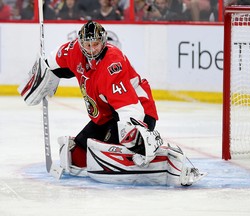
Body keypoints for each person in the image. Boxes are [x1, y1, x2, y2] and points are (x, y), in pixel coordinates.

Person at [18, 21, 206, 186]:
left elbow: (129, 108)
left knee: (132, 147)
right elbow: (51, 61)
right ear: (80, 43)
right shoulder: (73, 50)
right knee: (76, 157)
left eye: (96, 44)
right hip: (106, 112)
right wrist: (42, 75)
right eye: (87, 44)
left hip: (138, 109)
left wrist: (132, 135)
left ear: (104, 41)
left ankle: (152, 148)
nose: (91, 49)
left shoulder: (112, 65)